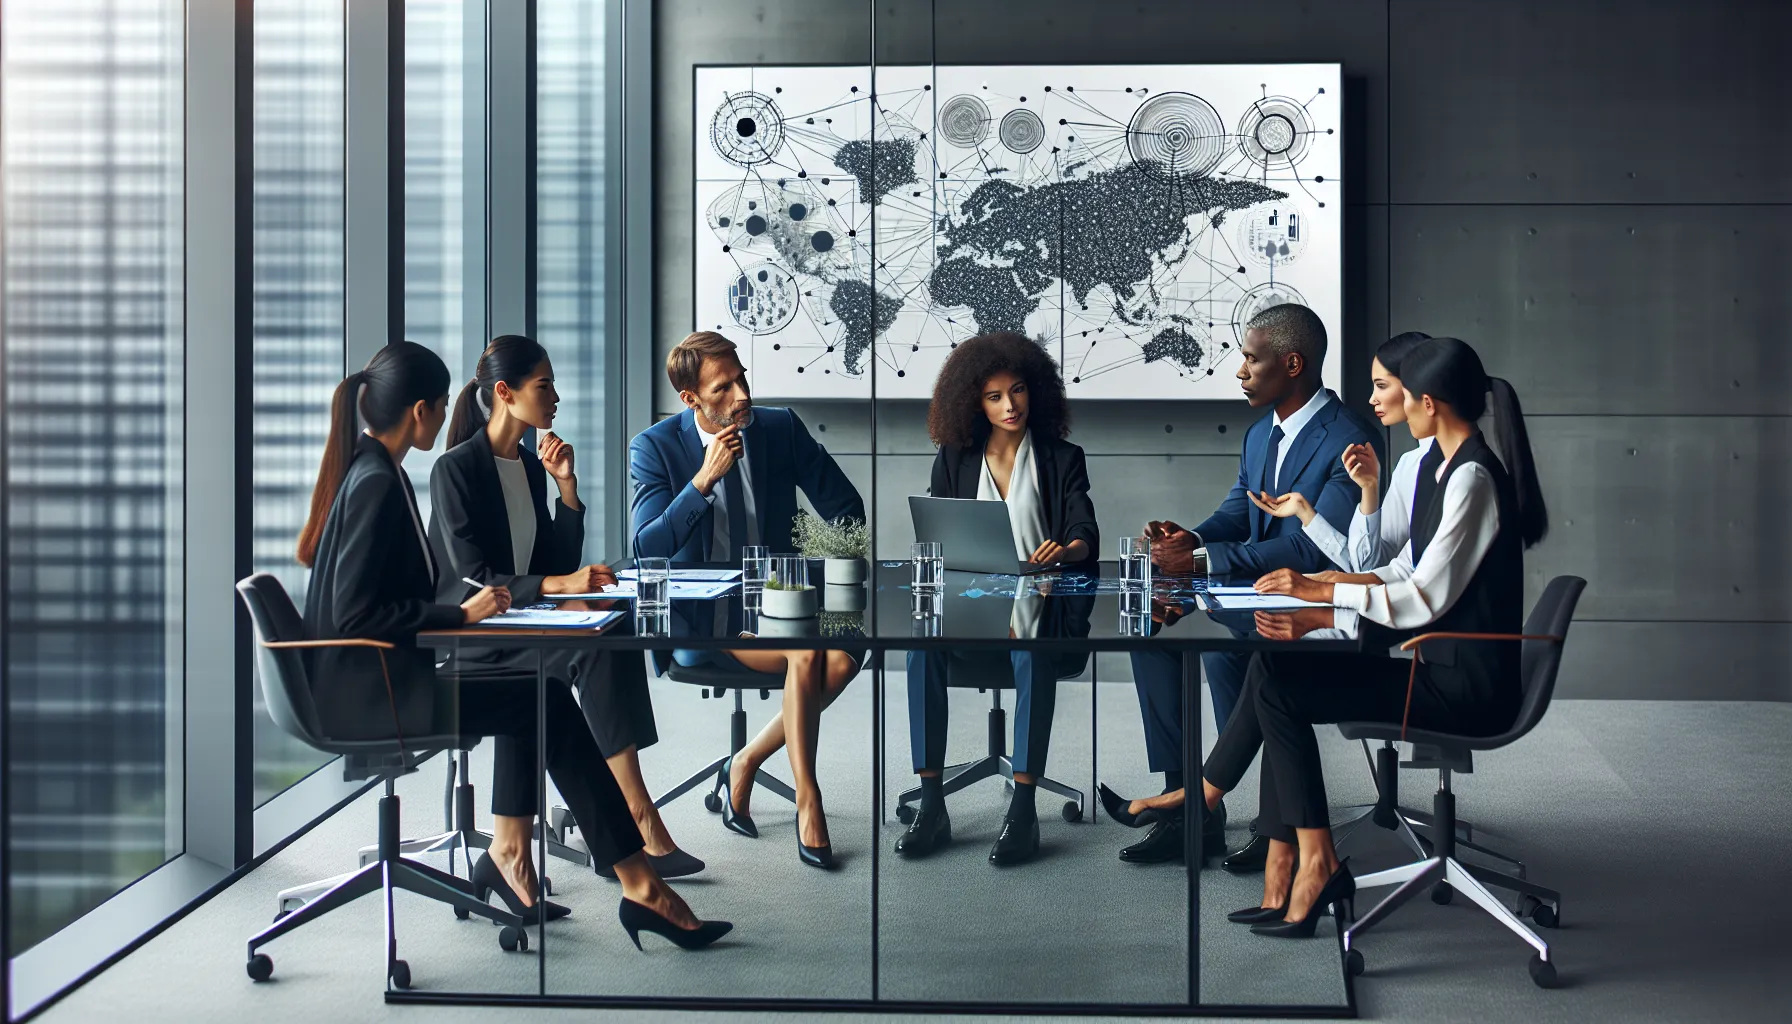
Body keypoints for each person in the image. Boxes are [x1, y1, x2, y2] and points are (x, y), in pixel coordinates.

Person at [296, 340, 727, 949]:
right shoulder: (380, 481)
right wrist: (458, 612)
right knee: (540, 697)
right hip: (376, 692)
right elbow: (356, 614)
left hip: (376, 680)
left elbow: (539, 561)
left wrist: (566, 492)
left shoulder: (377, 472)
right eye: (440, 404)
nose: (446, 415)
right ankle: (632, 881)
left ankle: (525, 857)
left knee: (540, 694)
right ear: (420, 410)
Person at [1192, 337, 1548, 938]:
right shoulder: (1443, 467)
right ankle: (1293, 861)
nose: (1388, 402)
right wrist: (1328, 585)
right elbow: (1400, 569)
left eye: (1397, 391)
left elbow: (1422, 598)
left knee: (1281, 687)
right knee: (1275, 668)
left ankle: (1308, 864)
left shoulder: (1472, 479)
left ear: (1427, 402)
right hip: (1437, 668)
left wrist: (1324, 597)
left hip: (1462, 688)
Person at [1113, 304, 1381, 867]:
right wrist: (1189, 539)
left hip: (1311, 603)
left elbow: (1315, 550)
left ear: (1292, 364)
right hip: (1254, 592)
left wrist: (1201, 561)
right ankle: (1190, 812)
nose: (1240, 370)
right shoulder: (1261, 434)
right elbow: (1240, 510)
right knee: (1151, 633)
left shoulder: (1349, 438)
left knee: (1229, 652)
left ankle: (1274, 824)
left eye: (1251, 359)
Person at [429, 334, 704, 882]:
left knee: (610, 623)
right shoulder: (455, 469)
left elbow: (552, 563)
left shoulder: (531, 469)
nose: (555, 397)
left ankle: (626, 816)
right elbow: (474, 578)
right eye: (544, 385)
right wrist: (560, 583)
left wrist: (567, 491)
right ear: (504, 393)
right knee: (585, 647)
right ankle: (635, 816)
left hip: (520, 622)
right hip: (472, 634)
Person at [628, 331, 863, 868]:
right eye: (723, 388)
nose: (742, 395)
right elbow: (646, 549)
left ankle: (745, 761)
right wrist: (703, 480)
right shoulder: (655, 447)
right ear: (690, 398)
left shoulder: (779, 428)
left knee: (842, 658)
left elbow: (847, 509)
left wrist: (808, 565)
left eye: (742, 379)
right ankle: (809, 800)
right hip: (702, 619)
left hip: (777, 603)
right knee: (808, 654)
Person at [894, 332, 1098, 866]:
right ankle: (932, 804)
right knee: (921, 645)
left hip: (1041, 605)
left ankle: (1023, 810)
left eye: (1018, 390)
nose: (1010, 405)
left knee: (1031, 647)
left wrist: (1067, 549)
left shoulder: (1062, 458)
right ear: (973, 403)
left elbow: (1085, 532)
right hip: (972, 607)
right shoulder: (954, 459)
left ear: (1036, 391)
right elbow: (939, 540)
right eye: (994, 396)